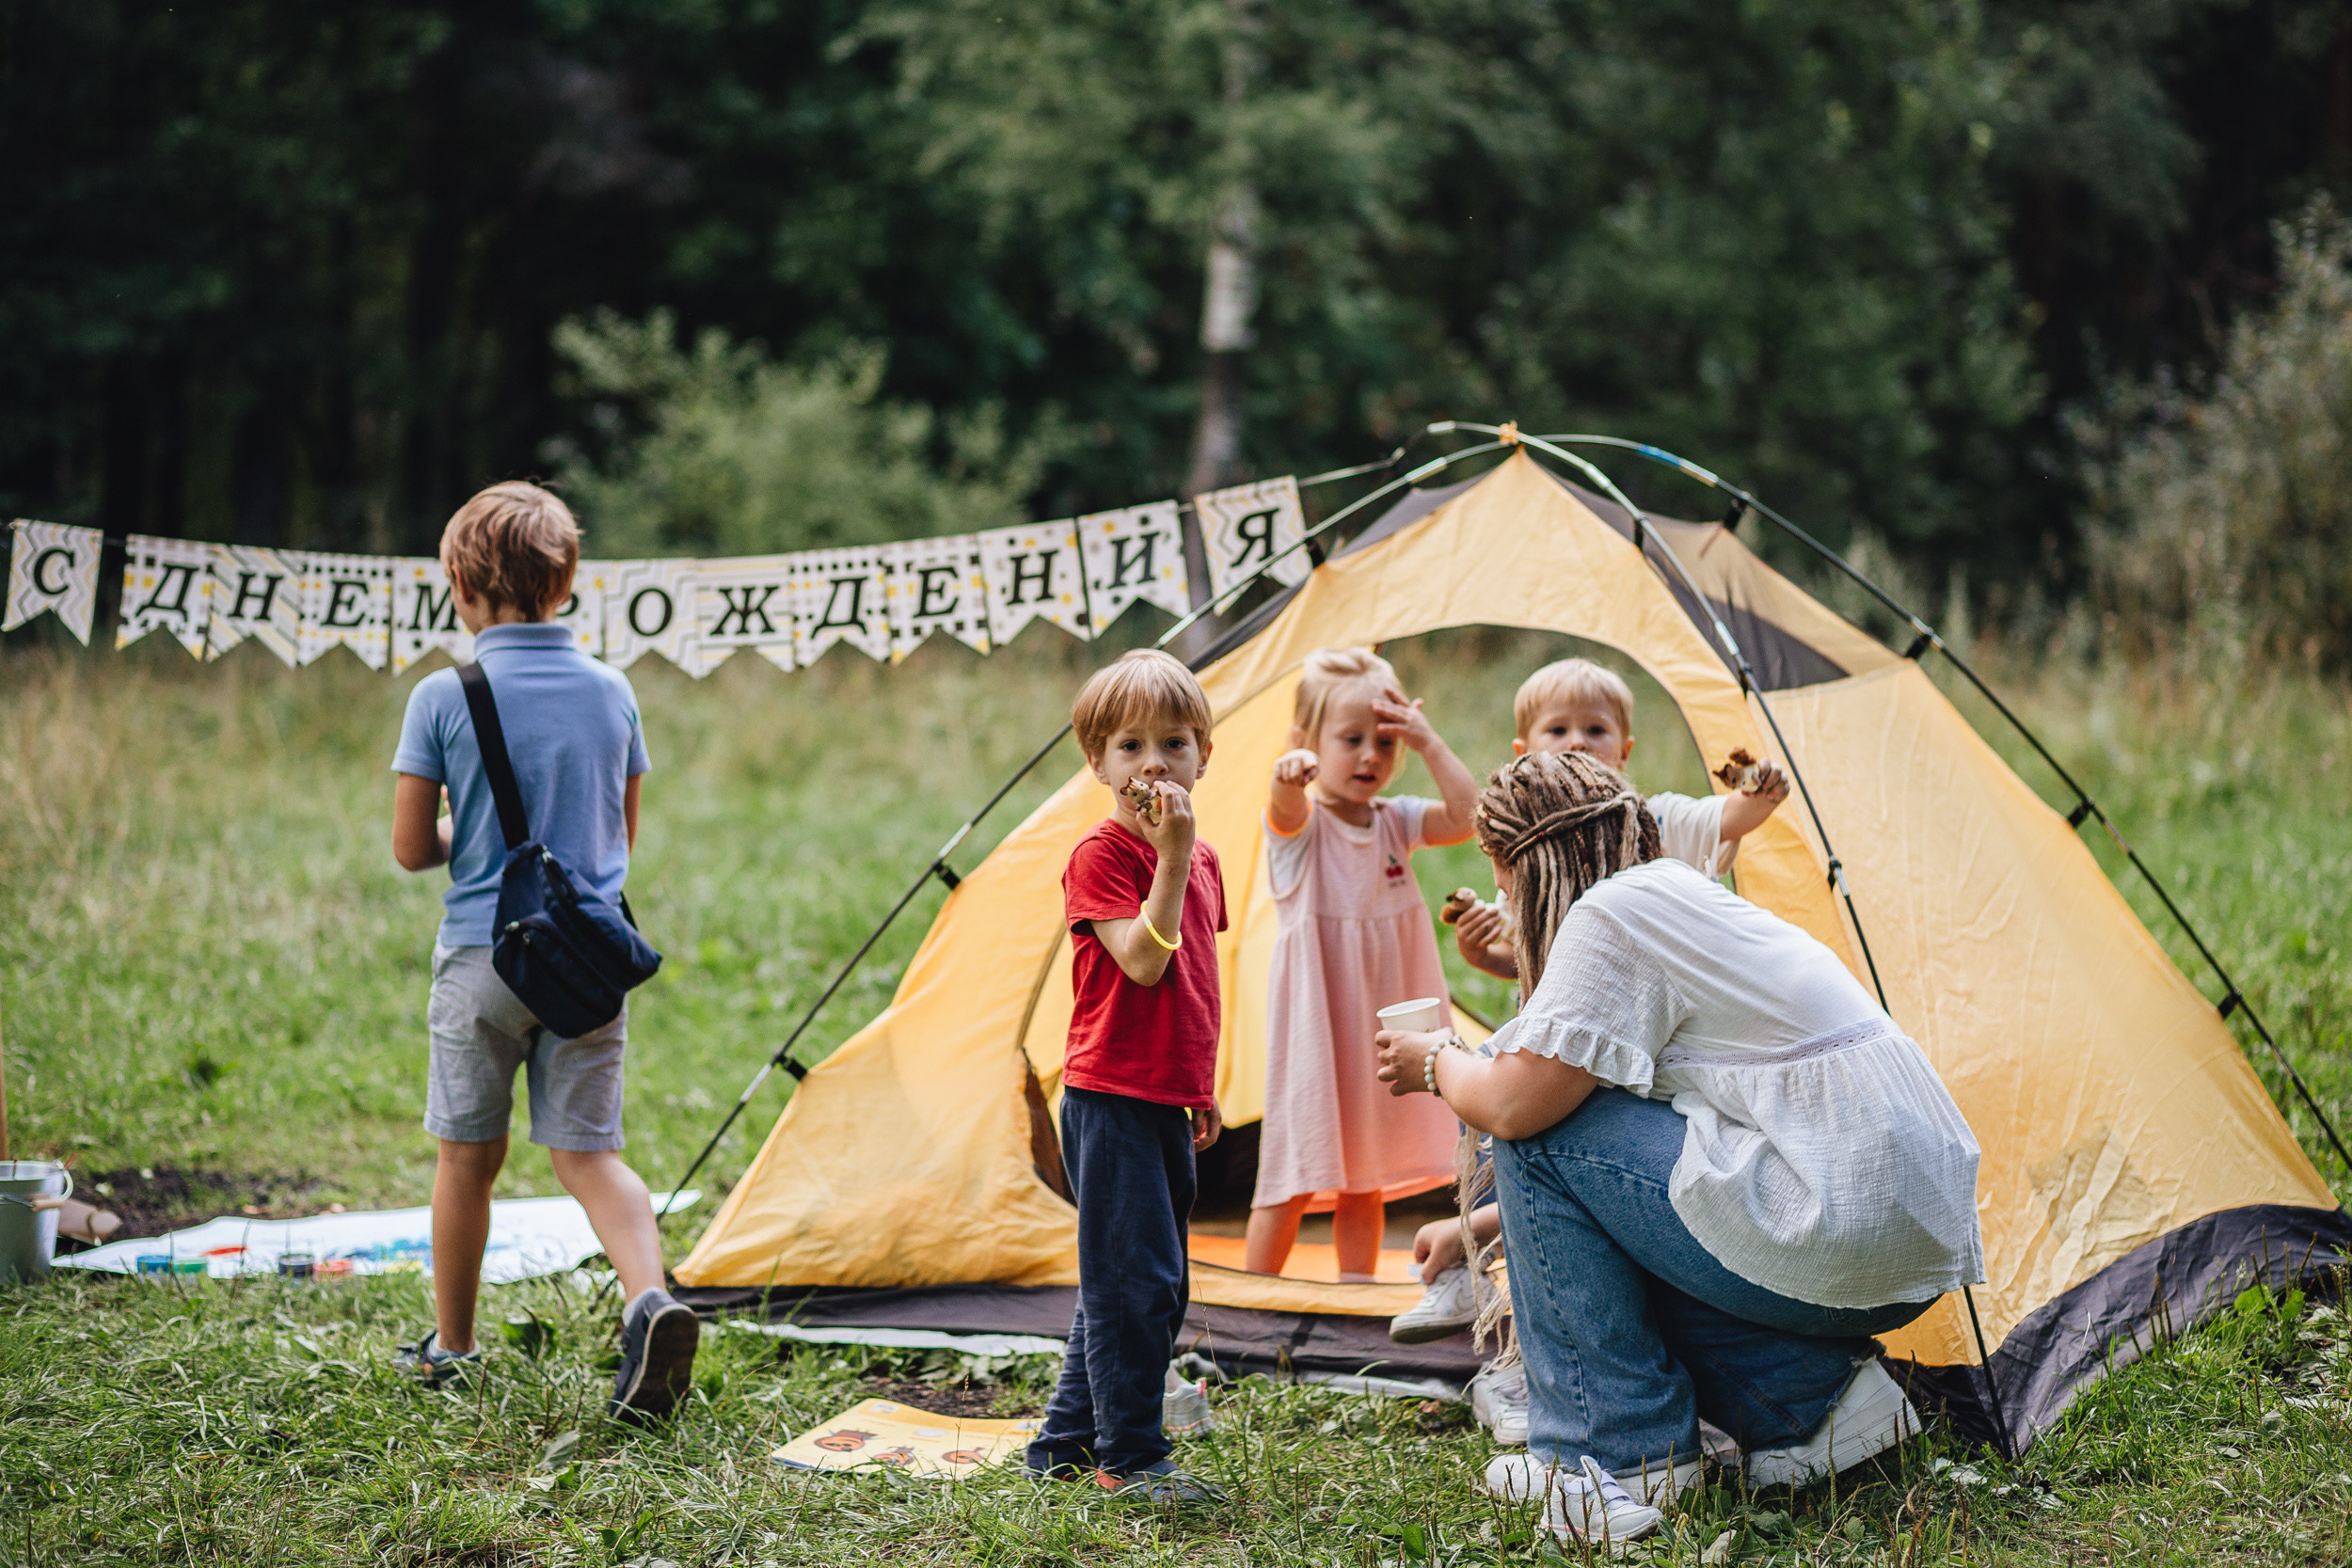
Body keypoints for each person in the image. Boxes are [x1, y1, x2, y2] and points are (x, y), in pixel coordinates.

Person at [1375, 752, 1982, 1549]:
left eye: (1502, 879)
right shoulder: (1680, 893)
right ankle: (1810, 1402)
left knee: (1533, 1124)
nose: (1502, 902)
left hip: (1832, 1213)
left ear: (1532, 862)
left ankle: (1613, 1453)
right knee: (1587, 1131)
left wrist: (1435, 1057)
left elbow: (1517, 1108)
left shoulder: (1610, 912)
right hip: (1900, 1230)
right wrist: (1479, 1229)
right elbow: (1636, 1177)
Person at [389, 482, 696, 1419]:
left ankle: (454, 1348)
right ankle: (650, 1298)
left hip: (485, 956)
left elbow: (411, 849)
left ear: (460, 584)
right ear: (565, 584)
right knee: (589, 1156)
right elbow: (618, 842)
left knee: (465, 1160)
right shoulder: (614, 690)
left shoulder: (444, 695)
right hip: (586, 965)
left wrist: (461, 828)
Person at [1024, 649, 1229, 1505]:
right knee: (1135, 1282)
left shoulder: (1208, 859)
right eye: (1131, 746)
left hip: (1165, 1099)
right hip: (1108, 1097)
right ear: (1098, 763)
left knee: (1137, 1273)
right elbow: (1144, 962)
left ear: (1203, 756)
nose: (1154, 762)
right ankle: (1132, 1456)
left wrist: (1200, 1087)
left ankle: (1064, 1443)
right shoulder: (1101, 856)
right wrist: (1170, 856)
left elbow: (1197, 985)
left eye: (1174, 743)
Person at [1244, 647, 1481, 1280]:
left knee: (1365, 1171)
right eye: (1351, 740)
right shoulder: (1301, 830)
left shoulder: (1394, 822)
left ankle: (1355, 1292)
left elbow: (1470, 815)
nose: (1371, 756)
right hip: (1318, 1028)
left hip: (1377, 1026)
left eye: (1385, 740)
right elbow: (1284, 808)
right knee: (1292, 1170)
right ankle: (1247, 1301)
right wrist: (1286, 775)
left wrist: (1428, 743)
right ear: (1308, 742)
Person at [1452, 657, 1789, 983]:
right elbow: (1522, 961)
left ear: (1624, 752)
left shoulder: (1656, 821)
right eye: (1557, 729)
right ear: (1523, 754)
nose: (1578, 742)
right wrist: (1480, 956)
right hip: (1572, 1014)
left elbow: (1730, 818)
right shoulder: (1531, 851)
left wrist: (1760, 789)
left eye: (1596, 729)